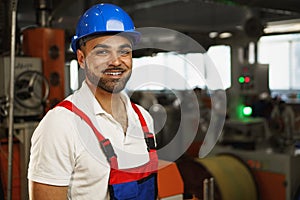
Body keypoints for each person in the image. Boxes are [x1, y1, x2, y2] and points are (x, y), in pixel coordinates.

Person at [27, 3, 158, 200]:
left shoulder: (143, 119)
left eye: (124, 51)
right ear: (81, 58)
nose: (116, 61)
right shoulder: (60, 125)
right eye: (102, 52)